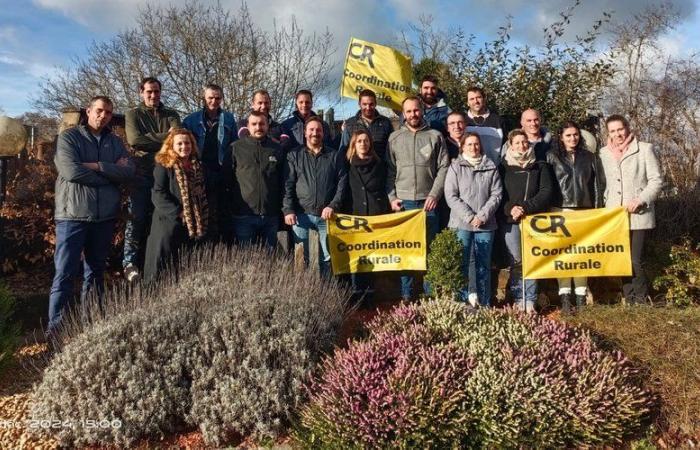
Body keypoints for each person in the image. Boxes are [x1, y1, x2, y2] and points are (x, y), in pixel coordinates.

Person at [48, 96, 136, 336]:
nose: (103, 116)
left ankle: (91, 325)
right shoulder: (69, 138)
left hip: (103, 218)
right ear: (88, 111)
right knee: (65, 274)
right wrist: (109, 176)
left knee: (95, 272)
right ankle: (56, 331)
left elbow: (129, 171)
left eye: (108, 112)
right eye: (99, 110)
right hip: (72, 216)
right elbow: (70, 171)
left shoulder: (114, 141)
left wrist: (97, 166)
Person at [386, 96, 450, 300]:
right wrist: (392, 197)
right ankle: (407, 296)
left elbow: (444, 167)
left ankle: (429, 295)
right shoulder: (394, 138)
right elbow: (389, 171)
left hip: (428, 203)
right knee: (406, 250)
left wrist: (435, 194)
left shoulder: (435, 136)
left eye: (416, 110)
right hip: (403, 204)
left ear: (422, 110)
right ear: (403, 113)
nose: (413, 114)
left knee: (430, 250)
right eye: (409, 111)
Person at [599, 114, 663, 304]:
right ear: (607, 133)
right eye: (612, 131)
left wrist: (641, 199)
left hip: (638, 214)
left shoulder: (644, 149)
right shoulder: (603, 153)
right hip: (615, 216)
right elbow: (604, 184)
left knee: (635, 259)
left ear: (627, 127)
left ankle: (642, 299)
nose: (617, 134)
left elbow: (656, 181)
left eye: (620, 129)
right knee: (621, 259)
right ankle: (629, 297)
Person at [123, 77, 181, 282]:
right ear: (141, 92)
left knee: (161, 219)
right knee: (136, 217)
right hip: (142, 173)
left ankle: (157, 263)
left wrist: (151, 137)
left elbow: (177, 138)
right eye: (149, 91)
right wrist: (165, 137)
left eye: (156, 91)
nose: (153, 95)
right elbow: (134, 140)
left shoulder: (172, 114)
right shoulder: (133, 114)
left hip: (166, 174)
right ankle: (129, 263)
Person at [547, 121, 603, 313]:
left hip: (584, 212)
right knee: (563, 256)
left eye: (575, 135)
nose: (573, 138)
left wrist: (598, 211)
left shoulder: (590, 157)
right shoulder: (551, 156)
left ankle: (580, 297)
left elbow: (598, 186)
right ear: (561, 137)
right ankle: (564, 298)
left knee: (581, 256)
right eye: (568, 135)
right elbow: (549, 186)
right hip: (560, 211)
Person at [283, 116, 347, 277]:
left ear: (323, 133)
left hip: (327, 216)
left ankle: (327, 294)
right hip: (301, 214)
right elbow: (288, 184)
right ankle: (305, 295)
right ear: (305, 133)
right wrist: (288, 209)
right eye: (311, 129)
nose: (315, 133)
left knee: (328, 258)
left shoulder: (334, 155)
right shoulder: (294, 155)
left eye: (318, 130)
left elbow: (342, 183)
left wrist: (333, 205)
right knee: (302, 259)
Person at [444, 132, 503, 307]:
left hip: (486, 224)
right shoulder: (455, 167)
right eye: (469, 144)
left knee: (483, 264)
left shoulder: (491, 166)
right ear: (462, 147)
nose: (473, 147)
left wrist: (482, 216)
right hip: (461, 224)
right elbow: (451, 196)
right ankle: (462, 303)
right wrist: (470, 217)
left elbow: (497, 194)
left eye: (476, 144)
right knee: (461, 264)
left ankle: (484, 303)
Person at [499, 129, 554, 313]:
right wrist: (511, 209)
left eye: (525, 142)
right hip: (510, 221)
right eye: (517, 143)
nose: (522, 146)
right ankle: (517, 298)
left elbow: (546, 192)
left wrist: (525, 207)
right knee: (516, 262)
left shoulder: (540, 166)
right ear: (510, 145)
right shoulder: (503, 167)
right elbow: (499, 194)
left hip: (533, 220)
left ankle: (530, 299)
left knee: (531, 260)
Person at [143, 129, 208, 283]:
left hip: (192, 224)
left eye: (187, 143)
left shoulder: (197, 166)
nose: (184, 146)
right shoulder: (163, 165)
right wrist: (179, 212)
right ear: (171, 145)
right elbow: (158, 193)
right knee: (160, 265)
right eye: (179, 143)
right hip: (167, 223)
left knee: (181, 266)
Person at [182, 83, 237, 242]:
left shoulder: (228, 118)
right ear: (204, 98)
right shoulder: (191, 120)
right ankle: (200, 245)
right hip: (199, 170)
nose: (214, 101)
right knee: (200, 211)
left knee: (221, 211)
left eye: (218, 98)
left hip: (221, 170)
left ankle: (220, 245)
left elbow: (234, 144)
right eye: (210, 98)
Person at [345, 129, 391, 304]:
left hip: (375, 215)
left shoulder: (380, 164)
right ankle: (356, 293)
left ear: (370, 143)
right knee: (358, 257)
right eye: (359, 141)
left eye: (366, 141)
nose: (363, 144)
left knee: (373, 256)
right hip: (355, 217)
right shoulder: (347, 164)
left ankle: (371, 293)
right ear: (353, 145)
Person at [229, 111, 285, 248]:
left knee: (271, 260)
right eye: (254, 124)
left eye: (262, 124)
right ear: (247, 126)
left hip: (270, 215)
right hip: (244, 216)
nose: (258, 127)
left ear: (267, 126)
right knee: (245, 261)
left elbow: (284, 181)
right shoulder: (235, 148)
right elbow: (227, 180)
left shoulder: (276, 149)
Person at [339, 89, 393, 159]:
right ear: (359, 104)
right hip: (355, 168)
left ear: (375, 104)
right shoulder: (349, 124)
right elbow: (343, 151)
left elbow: (392, 149)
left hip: (381, 168)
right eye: (364, 104)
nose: (368, 108)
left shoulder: (386, 123)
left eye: (371, 104)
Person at [465, 86, 507, 164]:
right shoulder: (463, 122)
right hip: (469, 170)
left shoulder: (498, 121)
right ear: (467, 103)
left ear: (484, 100)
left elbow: (506, 146)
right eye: (472, 99)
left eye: (478, 97)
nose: (476, 101)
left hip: (494, 169)